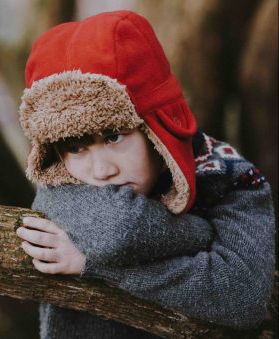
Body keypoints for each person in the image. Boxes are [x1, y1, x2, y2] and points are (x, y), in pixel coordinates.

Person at [15, 10, 275, 338]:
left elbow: (243, 297)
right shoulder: (60, 176)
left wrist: (94, 266)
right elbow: (118, 230)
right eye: (76, 146)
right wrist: (199, 234)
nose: (101, 170)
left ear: (155, 128)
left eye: (114, 136)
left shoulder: (231, 178)